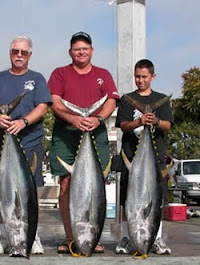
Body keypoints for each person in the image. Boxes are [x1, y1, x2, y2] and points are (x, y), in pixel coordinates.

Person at [48, 31, 119, 254]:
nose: (81, 52)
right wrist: (74, 118)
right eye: (77, 49)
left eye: (85, 48)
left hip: (95, 132)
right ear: (71, 52)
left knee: (96, 185)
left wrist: (97, 119)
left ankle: (92, 234)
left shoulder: (103, 74)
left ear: (92, 51)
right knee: (66, 184)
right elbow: (55, 103)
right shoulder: (59, 74)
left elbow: (111, 101)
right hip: (66, 133)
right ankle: (71, 236)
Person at [0, 35, 52, 255]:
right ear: (10, 53)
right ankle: (4, 235)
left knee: (30, 192)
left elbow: (42, 107)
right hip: (3, 143)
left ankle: (32, 235)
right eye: (15, 51)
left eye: (23, 52)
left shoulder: (38, 78)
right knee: (1, 193)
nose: (19, 56)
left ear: (30, 55)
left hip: (30, 142)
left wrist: (23, 122)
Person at [115, 59, 174, 255]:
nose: (140, 80)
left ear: (152, 77)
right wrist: (139, 121)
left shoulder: (162, 99)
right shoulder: (126, 99)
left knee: (156, 198)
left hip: (155, 158)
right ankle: (126, 237)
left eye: (144, 77)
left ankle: (156, 239)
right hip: (132, 158)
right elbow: (123, 125)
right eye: (137, 77)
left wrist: (155, 120)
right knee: (127, 198)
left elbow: (168, 125)